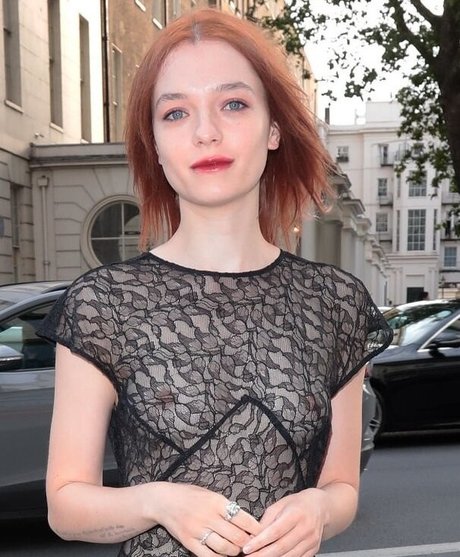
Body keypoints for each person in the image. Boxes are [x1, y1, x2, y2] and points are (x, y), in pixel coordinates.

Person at [37, 8, 393, 557]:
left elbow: (342, 487)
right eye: (176, 113)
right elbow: (65, 507)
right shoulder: (103, 304)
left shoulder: (335, 303)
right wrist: (159, 502)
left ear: (273, 129)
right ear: (155, 145)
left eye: (233, 104)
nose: (206, 132)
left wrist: (319, 510)